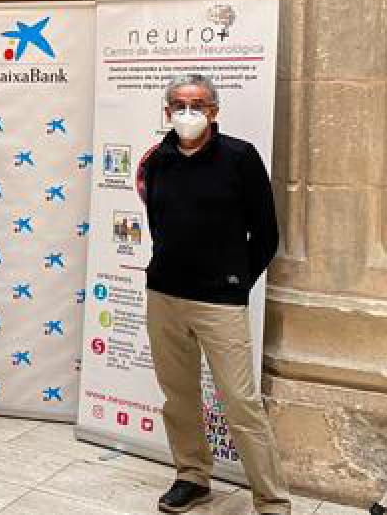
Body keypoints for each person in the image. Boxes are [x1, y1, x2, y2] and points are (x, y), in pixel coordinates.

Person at [139, 74, 290, 515]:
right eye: (180, 104)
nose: (189, 112)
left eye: (199, 104)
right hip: (165, 295)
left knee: (241, 402)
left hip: (218, 301)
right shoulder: (158, 160)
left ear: (214, 111)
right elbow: (160, 224)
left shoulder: (239, 157)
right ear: (168, 112)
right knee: (179, 395)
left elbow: (265, 233)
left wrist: (236, 280)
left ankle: (272, 500)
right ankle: (192, 477)